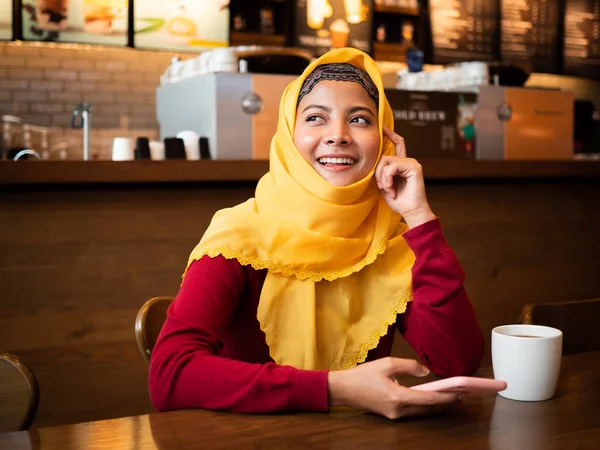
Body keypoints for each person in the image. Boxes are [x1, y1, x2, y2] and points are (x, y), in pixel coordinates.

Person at [149, 48, 484, 420]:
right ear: (289, 136)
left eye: (359, 119)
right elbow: (170, 375)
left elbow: (457, 362)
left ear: (385, 140)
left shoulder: (390, 243)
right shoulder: (239, 236)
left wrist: (419, 218)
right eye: (315, 118)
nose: (338, 136)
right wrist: (334, 387)